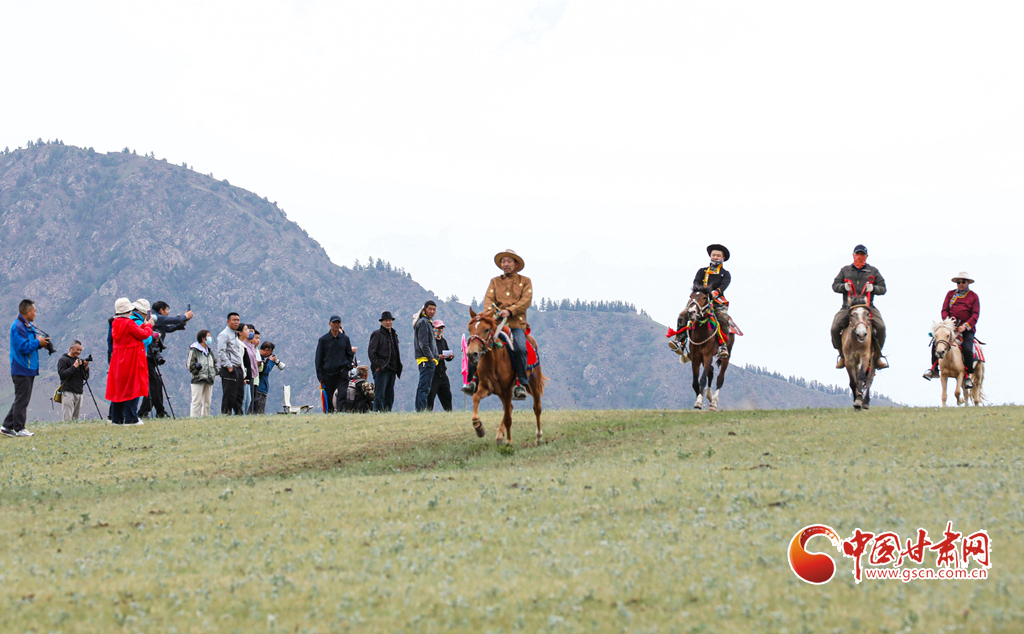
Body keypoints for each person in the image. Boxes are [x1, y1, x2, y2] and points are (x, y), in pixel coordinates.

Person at [464, 249, 533, 400]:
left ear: (516, 264)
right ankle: (472, 381)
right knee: (477, 343)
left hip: (515, 324)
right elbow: (488, 300)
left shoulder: (525, 281)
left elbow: (526, 301)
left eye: (509, 261)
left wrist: (510, 311)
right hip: (495, 323)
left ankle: (520, 383)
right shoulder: (494, 282)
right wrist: (492, 314)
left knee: (520, 347)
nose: (505, 264)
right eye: (503, 261)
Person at [669, 244, 733, 361]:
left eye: (718, 255)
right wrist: (700, 292)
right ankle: (680, 342)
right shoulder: (702, 271)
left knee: (723, 318)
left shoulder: (726, 274)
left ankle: (722, 347)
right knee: (683, 314)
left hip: (716, 301)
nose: (715, 257)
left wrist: (715, 293)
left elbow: (724, 285)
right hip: (699, 300)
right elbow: (696, 282)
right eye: (713, 255)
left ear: (723, 258)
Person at [831, 245, 888, 369]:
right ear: (853, 255)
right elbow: (835, 285)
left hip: (867, 306)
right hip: (848, 307)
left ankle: (877, 356)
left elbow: (883, 288)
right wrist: (843, 287)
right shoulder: (845, 270)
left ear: (866, 256)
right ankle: (842, 355)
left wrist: (873, 288)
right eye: (857, 254)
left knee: (881, 327)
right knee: (835, 328)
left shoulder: (873, 271)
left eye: (862, 255)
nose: (859, 257)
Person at [3, 299, 51, 437]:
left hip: (28, 367)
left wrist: (41, 344)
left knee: (22, 398)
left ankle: (7, 426)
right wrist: (38, 342)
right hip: (21, 367)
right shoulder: (18, 326)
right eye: (34, 311)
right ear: (28, 311)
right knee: (22, 399)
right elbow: (23, 347)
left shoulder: (27, 326)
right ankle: (19, 428)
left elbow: (29, 345)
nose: (36, 314)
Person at [925, 272, 981, 389]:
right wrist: (949, 321)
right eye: (958, 282)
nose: (960, 284)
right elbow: (944, 310)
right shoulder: (950, 294)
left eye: (963, 282)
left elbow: (975, 314)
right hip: (951, 327)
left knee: (967, 348)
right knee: (936, 343)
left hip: (966, 329)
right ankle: (934, 369)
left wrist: (965, 326)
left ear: (968, 283)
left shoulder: (973, 296)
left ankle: (967, 375)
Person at [139, 300, 193, 418]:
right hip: (147, 357)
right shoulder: (154, 317)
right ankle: (143, 412)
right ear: (161, 310)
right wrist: (184, 316)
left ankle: (159, 411)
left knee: (157, 384)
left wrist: (183, 321)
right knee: (154, 385)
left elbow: (170, 328)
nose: (168, 313)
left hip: (152, 357)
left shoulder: (157, 321)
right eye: (167, 310)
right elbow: (172, 320)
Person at [106, 297, 155, 426]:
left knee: (119, 389)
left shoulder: (115, 323)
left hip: (118, 360)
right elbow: (143, 335)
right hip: (131, 359)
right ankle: (131, 418)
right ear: (128, 310)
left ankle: (116, 419)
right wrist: (149, 325)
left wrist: (144, 325)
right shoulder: (129, 323)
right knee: (133, 387)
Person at [316, 315, 355, 413]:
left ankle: (342, 415)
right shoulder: (323, 340)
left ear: (340, 324)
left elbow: (350, 354)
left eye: (338, 323)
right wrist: (320, 376)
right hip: (328, 374)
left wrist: (348, 366)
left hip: (342, 373)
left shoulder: (345, 339)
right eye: (334, 323)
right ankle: (330, 415)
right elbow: (318, 359)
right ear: (330, 324)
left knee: (342, 396)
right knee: (329, 397)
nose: (336, 325)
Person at [368, 311, 403, 412]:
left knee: (389, 394)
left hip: (392, 368)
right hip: (382, 369)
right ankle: (377, 412)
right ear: (381, 322)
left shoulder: (394, 334)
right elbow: (371, 352)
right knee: (380, 394)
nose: (388, 322)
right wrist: (378, 366)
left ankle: (387, 413)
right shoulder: (377, 334)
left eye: (390, 320)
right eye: (386, 320)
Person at [413, 301, 440, 412]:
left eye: (434, 309)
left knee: (425, 387)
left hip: (427, 360)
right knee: (424, 387)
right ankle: (421, 410)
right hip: (426, 360)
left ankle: (421, 409)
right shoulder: (423, 322)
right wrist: (431, 358)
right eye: (430, 309)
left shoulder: (427, 322)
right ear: (424, 309)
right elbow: (423, 344)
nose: (432, 311)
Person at [187, 329, 218, 417]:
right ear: (203, 338)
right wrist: (196, 372)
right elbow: (190, 364)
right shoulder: (194, 350)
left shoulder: (209, 351)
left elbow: (214, 362)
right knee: (196, 401)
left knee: (207, 401)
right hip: (198, 379)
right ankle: (194, 419)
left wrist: (214, 372)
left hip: (209, 378)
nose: (210, 338)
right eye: (208, 336)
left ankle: (205, 417)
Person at [56, 340, 91, 421]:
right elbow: (62, 374)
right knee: (67, 418)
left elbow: (85, 378)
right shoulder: (63, 360)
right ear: (71, 349)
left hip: (79, 391)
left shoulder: (79, 361)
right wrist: (74, 366)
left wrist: (86, 368)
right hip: (68, 391)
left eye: (80, 350)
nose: (79, 352)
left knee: (76, 418)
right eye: (77, 350)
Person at [217, 312, 244, 415]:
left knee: (239, 394)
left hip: (238, 367)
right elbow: (221, 352)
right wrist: (229, 366)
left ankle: (239, 414)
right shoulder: (224, 335)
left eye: (238, 320)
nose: (236, 322)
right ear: (228, 321)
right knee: (229, 394)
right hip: (230, 368)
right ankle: (225, 414)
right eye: (234, 320)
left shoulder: (235, 334)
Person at [428, 319, 454, 412]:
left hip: (442, 374)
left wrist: (450, 357)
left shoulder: (443, 341)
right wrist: (437, 357)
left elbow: (447, 356)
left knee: (447, 396)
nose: (440, 330)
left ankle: (449, 414)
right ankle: (427, 414)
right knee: (430, 397)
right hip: (433, 374)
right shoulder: (430, 342)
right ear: (433, 329)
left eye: (441, 328)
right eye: (437, 328)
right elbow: (428, 355)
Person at [254, 341, 279, 415]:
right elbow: (265, 370)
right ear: (267, 349)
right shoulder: (258, 358)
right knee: (259, 412)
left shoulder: (260, 358)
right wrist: (271, 362)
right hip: (260, 389)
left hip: (259, 388)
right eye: (270, 352)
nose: (270, 354)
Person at [240, 324, 258, 414]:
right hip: (246, 374)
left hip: (252, 375)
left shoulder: (252, 346)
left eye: (252, 331)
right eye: (248, 331)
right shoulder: (243, 345)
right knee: (245, 398)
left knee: (250, 398)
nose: (250, 333)